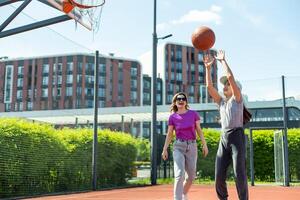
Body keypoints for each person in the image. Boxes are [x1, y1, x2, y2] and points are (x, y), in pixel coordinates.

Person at [203, 50, 249, 200]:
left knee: (239, 173)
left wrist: (222, 61)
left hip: (237, 137)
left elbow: (230, 76)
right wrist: (208, 68)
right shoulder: (221, 102)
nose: (225, 86)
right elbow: (209, 87)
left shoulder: (237, 99)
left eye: (228, 85)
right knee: (218, 175)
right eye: (224, 85)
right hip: (224, 138)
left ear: (236, 89)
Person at [161, 92, 209, 200]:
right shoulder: (172, 117)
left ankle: (184, 193)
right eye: (178, 99)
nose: (181, 100)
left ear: (186, 102)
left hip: (192, 146)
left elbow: (199, 131)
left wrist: (204, 145)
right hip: (178, 146)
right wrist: (164, 149)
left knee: (191, 177)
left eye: (183, 99)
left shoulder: (193, 114)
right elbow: (169, 134)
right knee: (179, 174)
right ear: (175, 102)